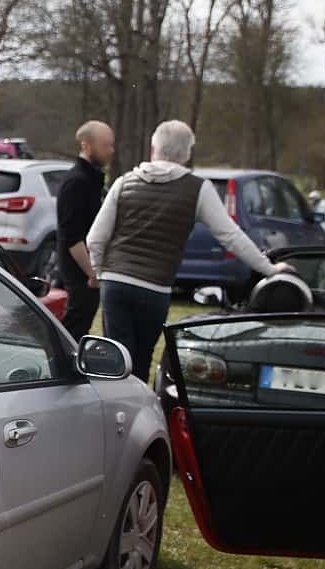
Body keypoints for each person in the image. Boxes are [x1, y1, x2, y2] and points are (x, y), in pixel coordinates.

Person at [85, 119, 291, 383]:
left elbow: (95, 238)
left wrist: (103, 273)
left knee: (116, 359)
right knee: (142, 358)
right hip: (155, 287)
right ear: (187, 153)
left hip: (116, 282)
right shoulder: (197, 189)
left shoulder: (124, 182)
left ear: (153, 148)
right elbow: (230, 236)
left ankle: (112, 413)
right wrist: (270, 269)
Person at [53, 120, 112, 338]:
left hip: (87, 271)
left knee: (82, 326)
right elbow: (71, 235)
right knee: (73, 331)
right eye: (106, 145)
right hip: (78, 274)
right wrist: (91, 272)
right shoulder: (76, 182)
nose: (110, 151)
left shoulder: (93, 180)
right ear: (86, 145)